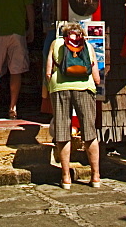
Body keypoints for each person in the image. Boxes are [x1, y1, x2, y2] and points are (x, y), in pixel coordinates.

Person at [45, 22, 101, 189]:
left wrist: (52, 86)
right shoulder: (88, 47)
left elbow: (48, 71)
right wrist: (94, 83)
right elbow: (96, 76)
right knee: (89, 132)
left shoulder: (56, 44)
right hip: (84, 88)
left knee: (63, 133)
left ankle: (66, 177)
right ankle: (95, 176)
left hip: (60, 88)